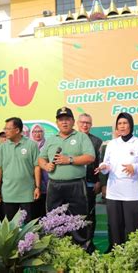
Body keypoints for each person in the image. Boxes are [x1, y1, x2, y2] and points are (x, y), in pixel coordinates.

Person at [38, 106, 95, 249]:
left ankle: (81, 248)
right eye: (61, 120)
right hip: (55, 185)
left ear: (73, 121)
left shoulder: (81, 137)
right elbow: (41, 159)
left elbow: (90, 157)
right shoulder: (51, 140)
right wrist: (46, 166)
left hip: (76, 185)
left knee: (79, 218)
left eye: (67, 119)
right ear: (57, 123)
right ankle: (56, 248)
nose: (64, 122)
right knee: (54, 218)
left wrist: (69, 160)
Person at [96, 112, 138, 246]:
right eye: (119, 124)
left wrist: (135, 168)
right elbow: (107, 164)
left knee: (132, 228)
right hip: (114, 192)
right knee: (115, 227)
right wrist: (103, 167)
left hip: (132, 194)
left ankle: (133, 256)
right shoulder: (112, 144)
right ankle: (116, 254)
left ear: (131, 125)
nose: (122, 126)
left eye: (125, 123)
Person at [0, 117, 40, 222]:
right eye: (5, 129)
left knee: (29, 226)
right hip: (8, 194)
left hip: (27, 193)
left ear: (17, 130)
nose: (5, 132)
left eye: (8, 129)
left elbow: (37, 167)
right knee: (10, 227)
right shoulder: (2, 148)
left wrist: (37, 187)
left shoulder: (31, 145)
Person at [77, 113, 102, 252]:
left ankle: (89, 243)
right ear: (77, 123)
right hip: (74, 184)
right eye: (82, 122)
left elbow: (100, 162)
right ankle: (77, 242)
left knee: (90, 214)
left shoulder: (97, 141)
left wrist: (99, 181)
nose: (85, 125)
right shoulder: (71, 139)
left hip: (90, 184)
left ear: (91, 125)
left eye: (88, 123)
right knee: (75, 215)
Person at [29, 123, 48, 219]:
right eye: (35, 131)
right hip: (31, 184)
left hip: (46, 183)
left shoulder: (48, 144)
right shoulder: (28, 146)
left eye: (40, 131)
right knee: (33, 212)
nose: (37, 134)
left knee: (45, 211)